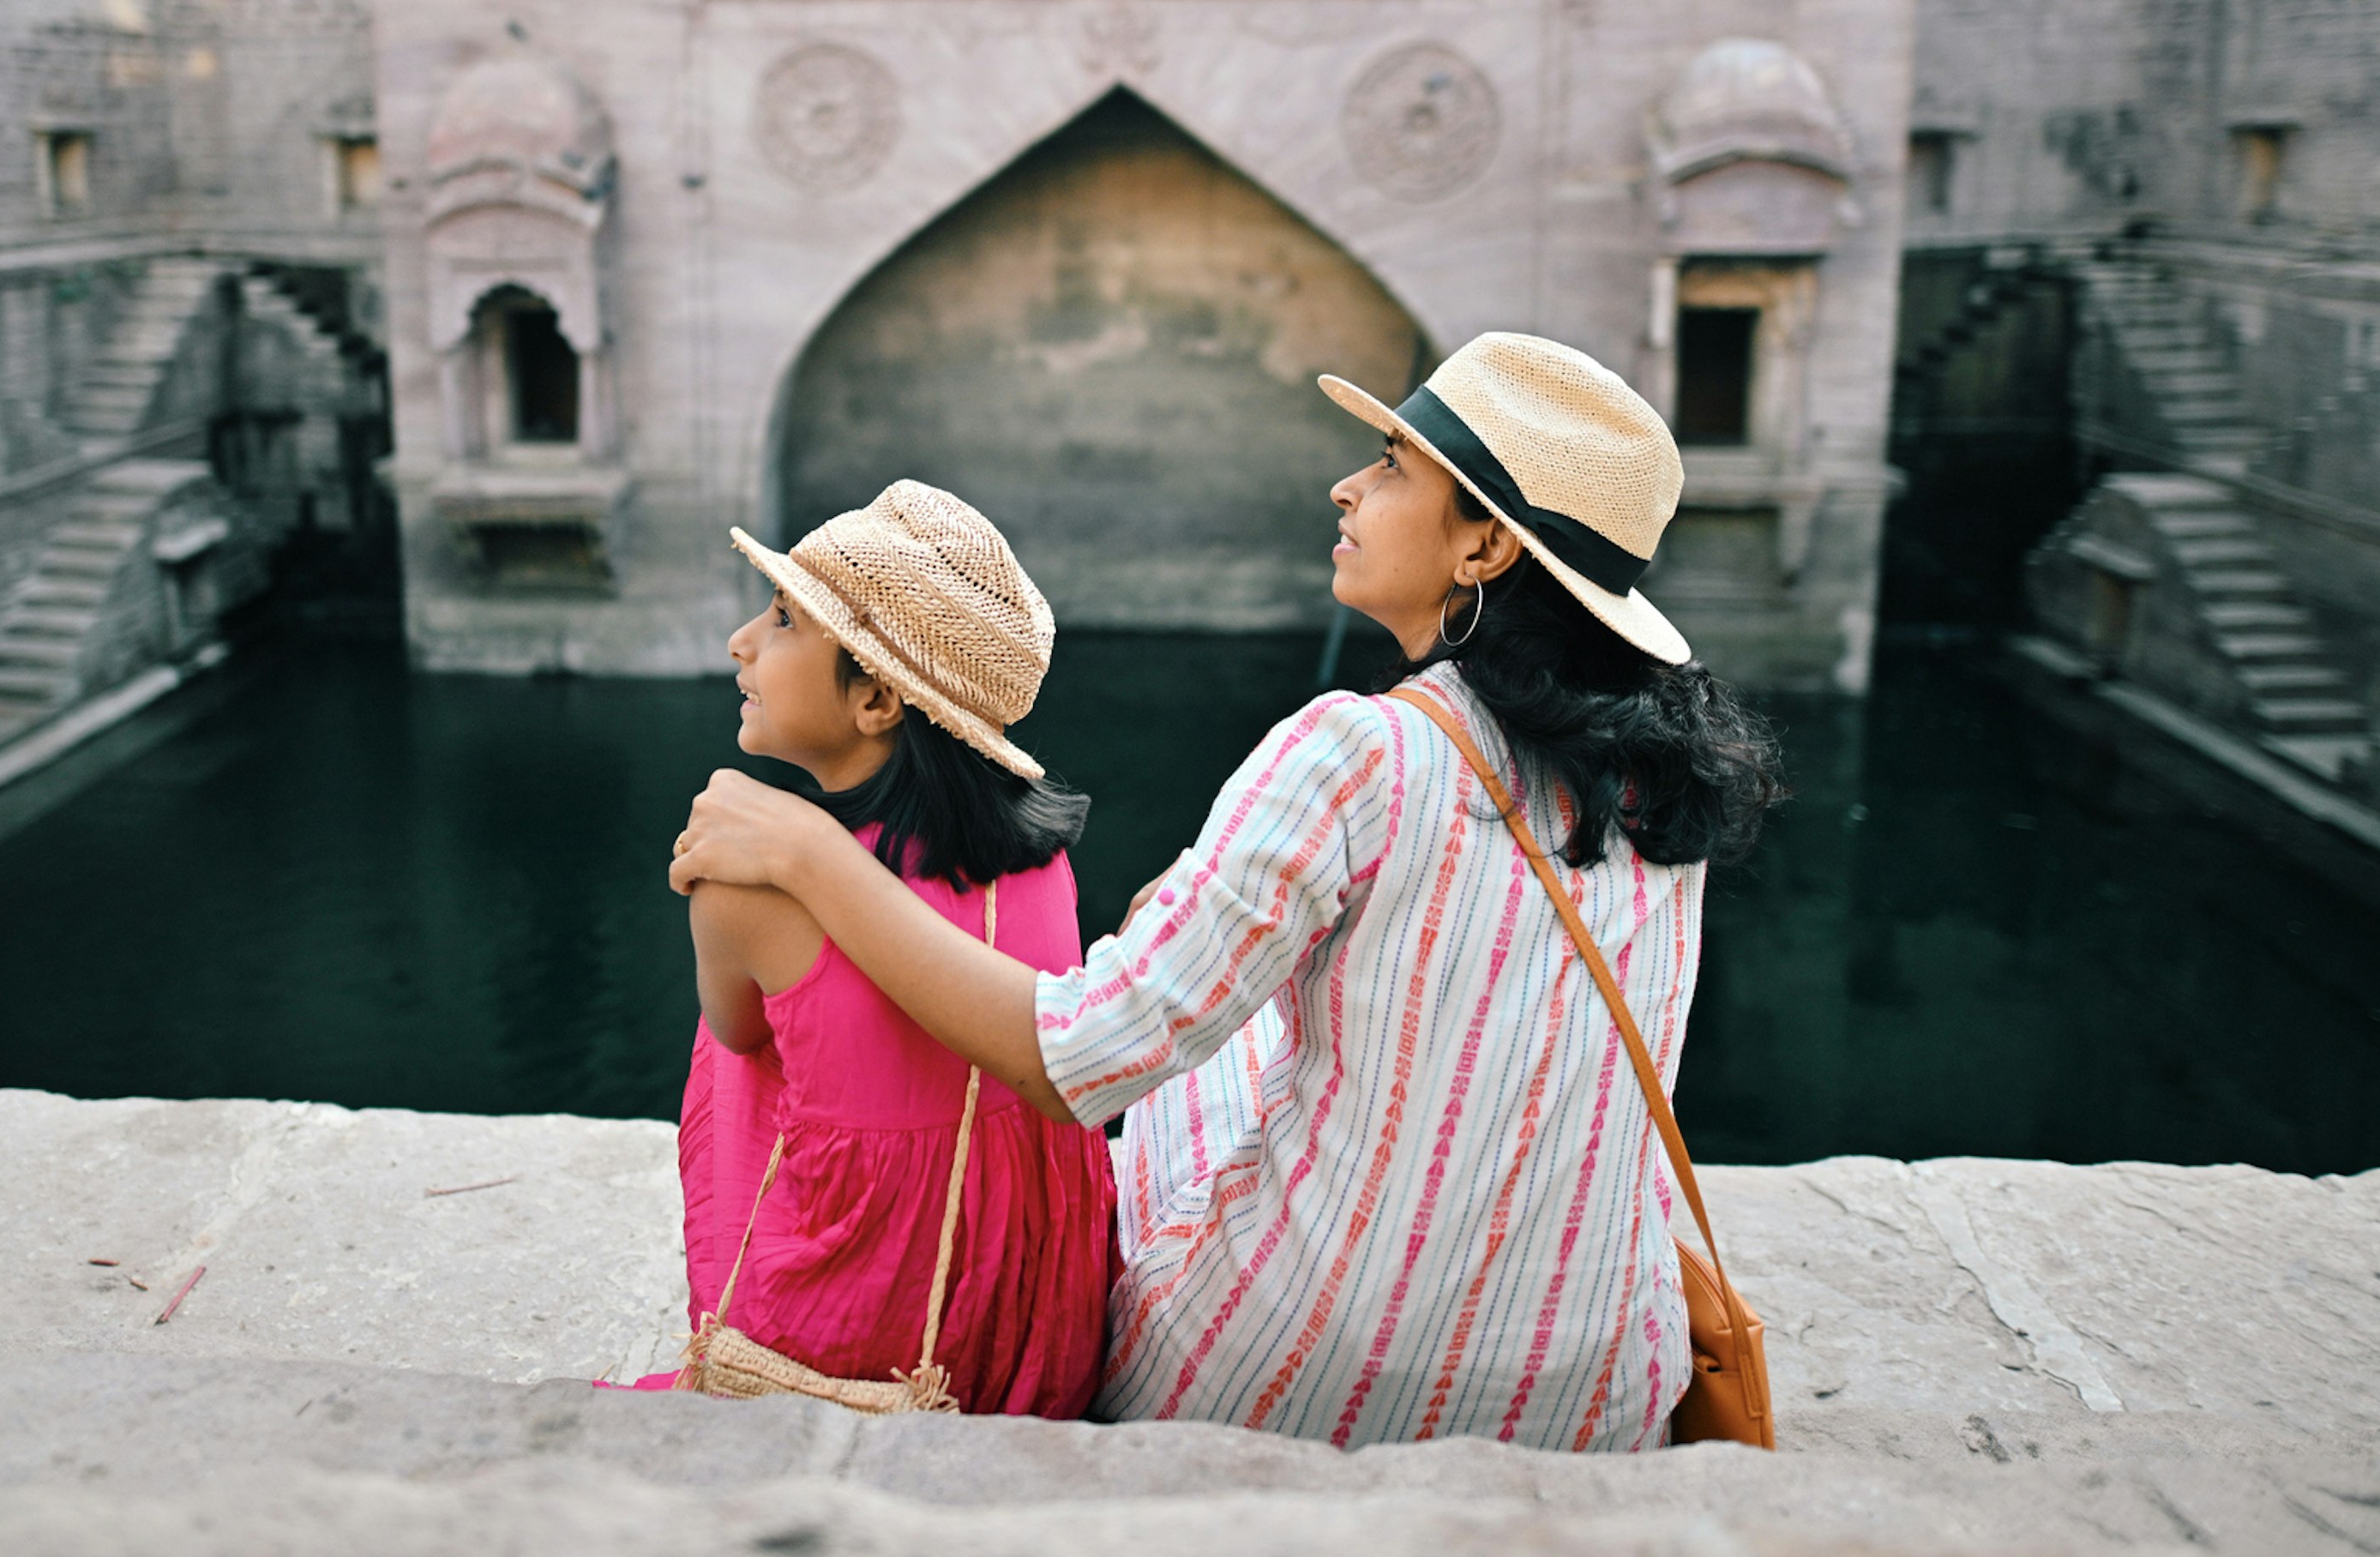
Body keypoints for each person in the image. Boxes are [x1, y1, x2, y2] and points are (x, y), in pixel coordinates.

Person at [670, 334, 1783, 1447]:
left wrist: (810, 855)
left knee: (1189, 1065)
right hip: (1591, 1385)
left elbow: (1078, 1065)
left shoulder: (1362, 751)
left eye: (1393, 464)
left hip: (1288, 1376)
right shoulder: (1661, 778)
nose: (1346, 485)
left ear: (1483, 542)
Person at [665, 479, 1116, 1416]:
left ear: (875, 698)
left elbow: (737, 1035)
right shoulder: (1043, 857)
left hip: (862, 1323)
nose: (742, 639)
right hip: (1025, 1303)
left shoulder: (743, 891)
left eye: (785, 619)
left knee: (741, 1051)